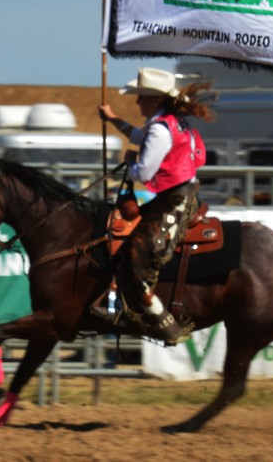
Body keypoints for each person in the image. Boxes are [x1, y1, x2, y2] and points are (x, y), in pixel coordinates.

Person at [98, 66, 214, 345]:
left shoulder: (160, 130)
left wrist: (129, 162)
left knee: (140, 252)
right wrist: (113, 119)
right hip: (180, 194)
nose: (137, 101)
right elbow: (140, 136)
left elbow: (143, 174)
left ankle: (163, 321)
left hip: (175, 200)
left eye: (141, 97)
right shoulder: (169, 122)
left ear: (155, 100)